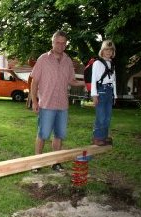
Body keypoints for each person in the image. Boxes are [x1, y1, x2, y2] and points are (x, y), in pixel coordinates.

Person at [31, 30, 85, 172]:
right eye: (58, 42)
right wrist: (35, 102)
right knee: (43, 134)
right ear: (52, 42)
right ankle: (37, 163)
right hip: (46, 104)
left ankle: (55, 162)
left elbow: (72, 81)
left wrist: (88, 82)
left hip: (62, 105)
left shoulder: (68, 61)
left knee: (59, 135)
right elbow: (34, 82)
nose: (60, 45)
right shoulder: (43, 59)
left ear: (66, 45)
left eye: (63, 43)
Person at [91, 40, 117, 146]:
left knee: (107, 117)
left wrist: (114, 95)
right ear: (102, 51)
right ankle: (97, 137)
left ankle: (104, 137)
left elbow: (114, 81)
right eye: (106, 49)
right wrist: (94, 95)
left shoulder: (112, 64)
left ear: (113, 52)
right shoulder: (97, 63)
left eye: (111, 50)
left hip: (109, 91)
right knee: (101, 116)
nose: (108, 52)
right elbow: (93, 80)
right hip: (101, 91)